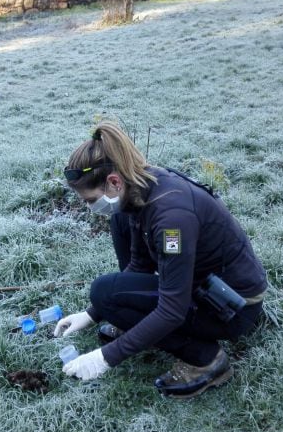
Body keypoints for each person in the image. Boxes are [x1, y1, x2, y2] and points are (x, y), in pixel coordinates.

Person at [54, 121, 267, 398]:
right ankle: (129, 317)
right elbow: (140, 265)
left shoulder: (171, 224)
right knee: (115, 249)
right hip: (203, 285)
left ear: (113, 182)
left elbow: (171, 310)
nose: (89, 206)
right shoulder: (139, 187)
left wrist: (104, 358)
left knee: (106, 291)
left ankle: (206, 360)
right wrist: (93, 313)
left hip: (232, 306)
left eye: (89, 199)